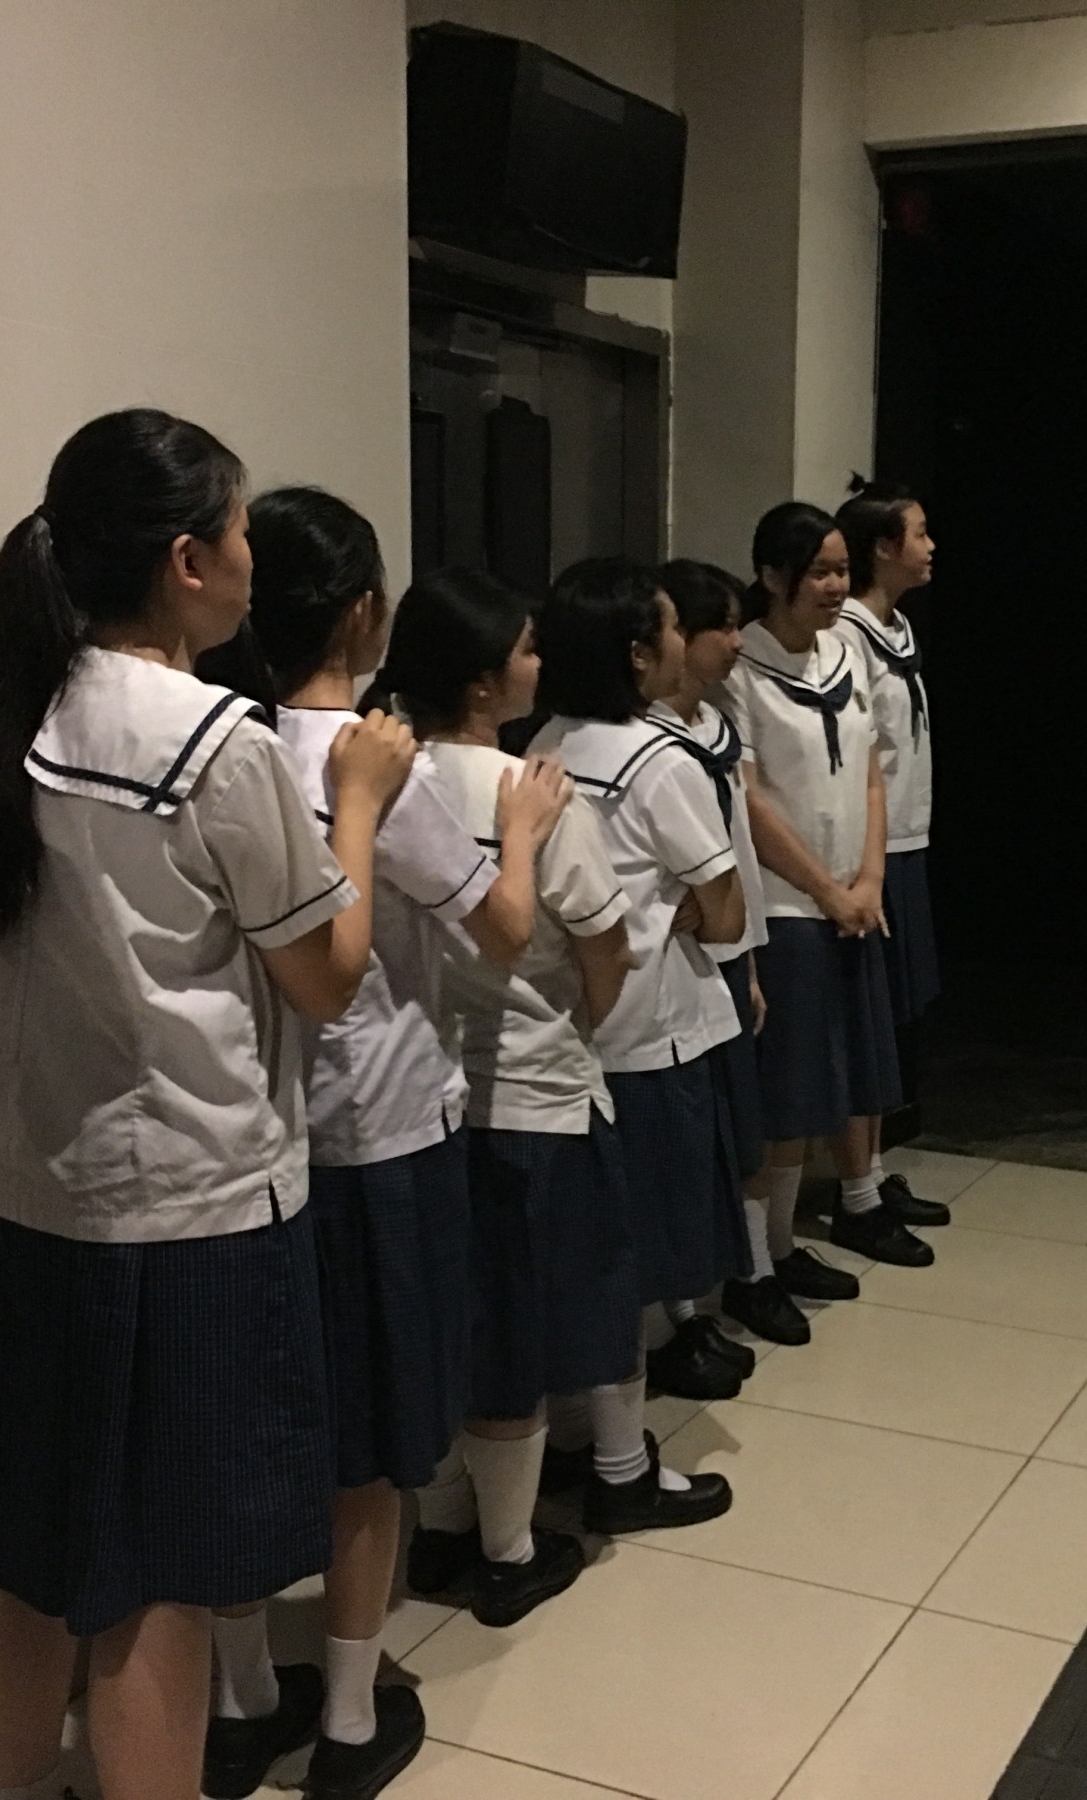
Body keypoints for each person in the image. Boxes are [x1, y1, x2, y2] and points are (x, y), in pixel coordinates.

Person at [0, 410, 415, 1800]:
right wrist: (359, 803)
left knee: (17, 1565)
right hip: (186, 1219)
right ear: (189, 561)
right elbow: (325, 976)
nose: (255, 558)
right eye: (243, 531)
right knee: (159, 1583)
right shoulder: (213, 743)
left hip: (6, 1197)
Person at [191, 491, 572, 1798]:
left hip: (258, 1143)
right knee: (368, 1445)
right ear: (364, 614)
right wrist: (521, 835)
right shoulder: (374, 765)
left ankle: (242, 1697)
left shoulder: (227, 748)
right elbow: (502, 932)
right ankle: (351, 1723)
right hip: (388, 1137)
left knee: (252, 1430)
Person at [385, 569, 640, 1627]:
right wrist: (581, 1024)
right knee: (518, 1338)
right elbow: (605, 946)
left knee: (452, 1324)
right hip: (532, 1093)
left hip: (418, 1098)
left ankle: (445, 1534)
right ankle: (509, 1549)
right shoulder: (527, 792)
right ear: (487, 682)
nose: (542, 662)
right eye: (527, 648)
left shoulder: (383, 779)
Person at [528, 558, 750, 1523]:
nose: (678, 644)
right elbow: (726, 908)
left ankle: (573, 1437)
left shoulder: (541, 745)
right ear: (635, 653)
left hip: (565, 1038)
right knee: (628, 1263)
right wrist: (691, 914)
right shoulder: (658, 760)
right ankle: (623, 1464)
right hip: (650, 1040)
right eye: (666, 627)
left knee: (578, 1256)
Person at [723, 503, 929, 1282]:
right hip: (789, 908)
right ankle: (763, 1262)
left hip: (853, 900)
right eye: (819, 572)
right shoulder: (743, 668)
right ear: (773, 576)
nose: (836, 585)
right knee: (789, 1097)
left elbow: (873, 773)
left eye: (842, 570)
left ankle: (831, 1218)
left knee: (854, 1072)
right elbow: (750, 800)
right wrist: (825, 890)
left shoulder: (844, 652)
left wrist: (868, 879)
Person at [656, 559, 805, 1346]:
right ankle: (681, 1314)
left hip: (727, 950)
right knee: (682, 1148)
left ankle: (753, 1272)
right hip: (671, 973)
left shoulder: (717, 726)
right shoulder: (648, 740)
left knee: (740, 1132)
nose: (735, 640)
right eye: (717, 626)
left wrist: (746, 961)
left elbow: (736, 853)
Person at [834, 478, 950, 1228]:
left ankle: (874, 1172)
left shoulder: (895, 628)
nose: (931, 546)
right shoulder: (849, 634)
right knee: (867, 1019)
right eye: (919, 532)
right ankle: (856, 1188)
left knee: (893, 1020)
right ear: (883, 548)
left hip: (907, 838)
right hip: (868, 849)